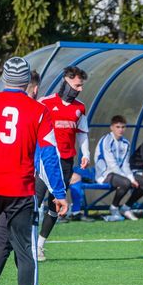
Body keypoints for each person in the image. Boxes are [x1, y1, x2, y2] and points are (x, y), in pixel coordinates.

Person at [0, 57, 67, 285]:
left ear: (4, 78)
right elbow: (50, 154)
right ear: (28, 81)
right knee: (25, 251)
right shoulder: (39, 111)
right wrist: (59, 192)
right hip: (20, 190)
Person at [36, 66, 90, 261]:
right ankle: (25, 243)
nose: (80, 89)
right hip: (45, 161)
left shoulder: (80, 107)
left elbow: (82, 133)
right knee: (34, 202)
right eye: (77, 85)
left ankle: (39, 245)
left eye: (81, 86)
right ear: (66, 81)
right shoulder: (45, 103)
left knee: (56, 204)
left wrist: (86, 153)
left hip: (66, 162)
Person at [95, 115, 143, 221]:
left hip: (120, 174)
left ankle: (126, 207)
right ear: (111, 127)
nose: (120, 130)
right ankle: (114, 207)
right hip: (105, 174)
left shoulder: (126, 143)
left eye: (123, 127)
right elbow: (112, 165)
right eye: (118, 127)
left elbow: (125, 165)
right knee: (126, 182)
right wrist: (129, 179)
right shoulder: (106, 140)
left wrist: (132, 178)